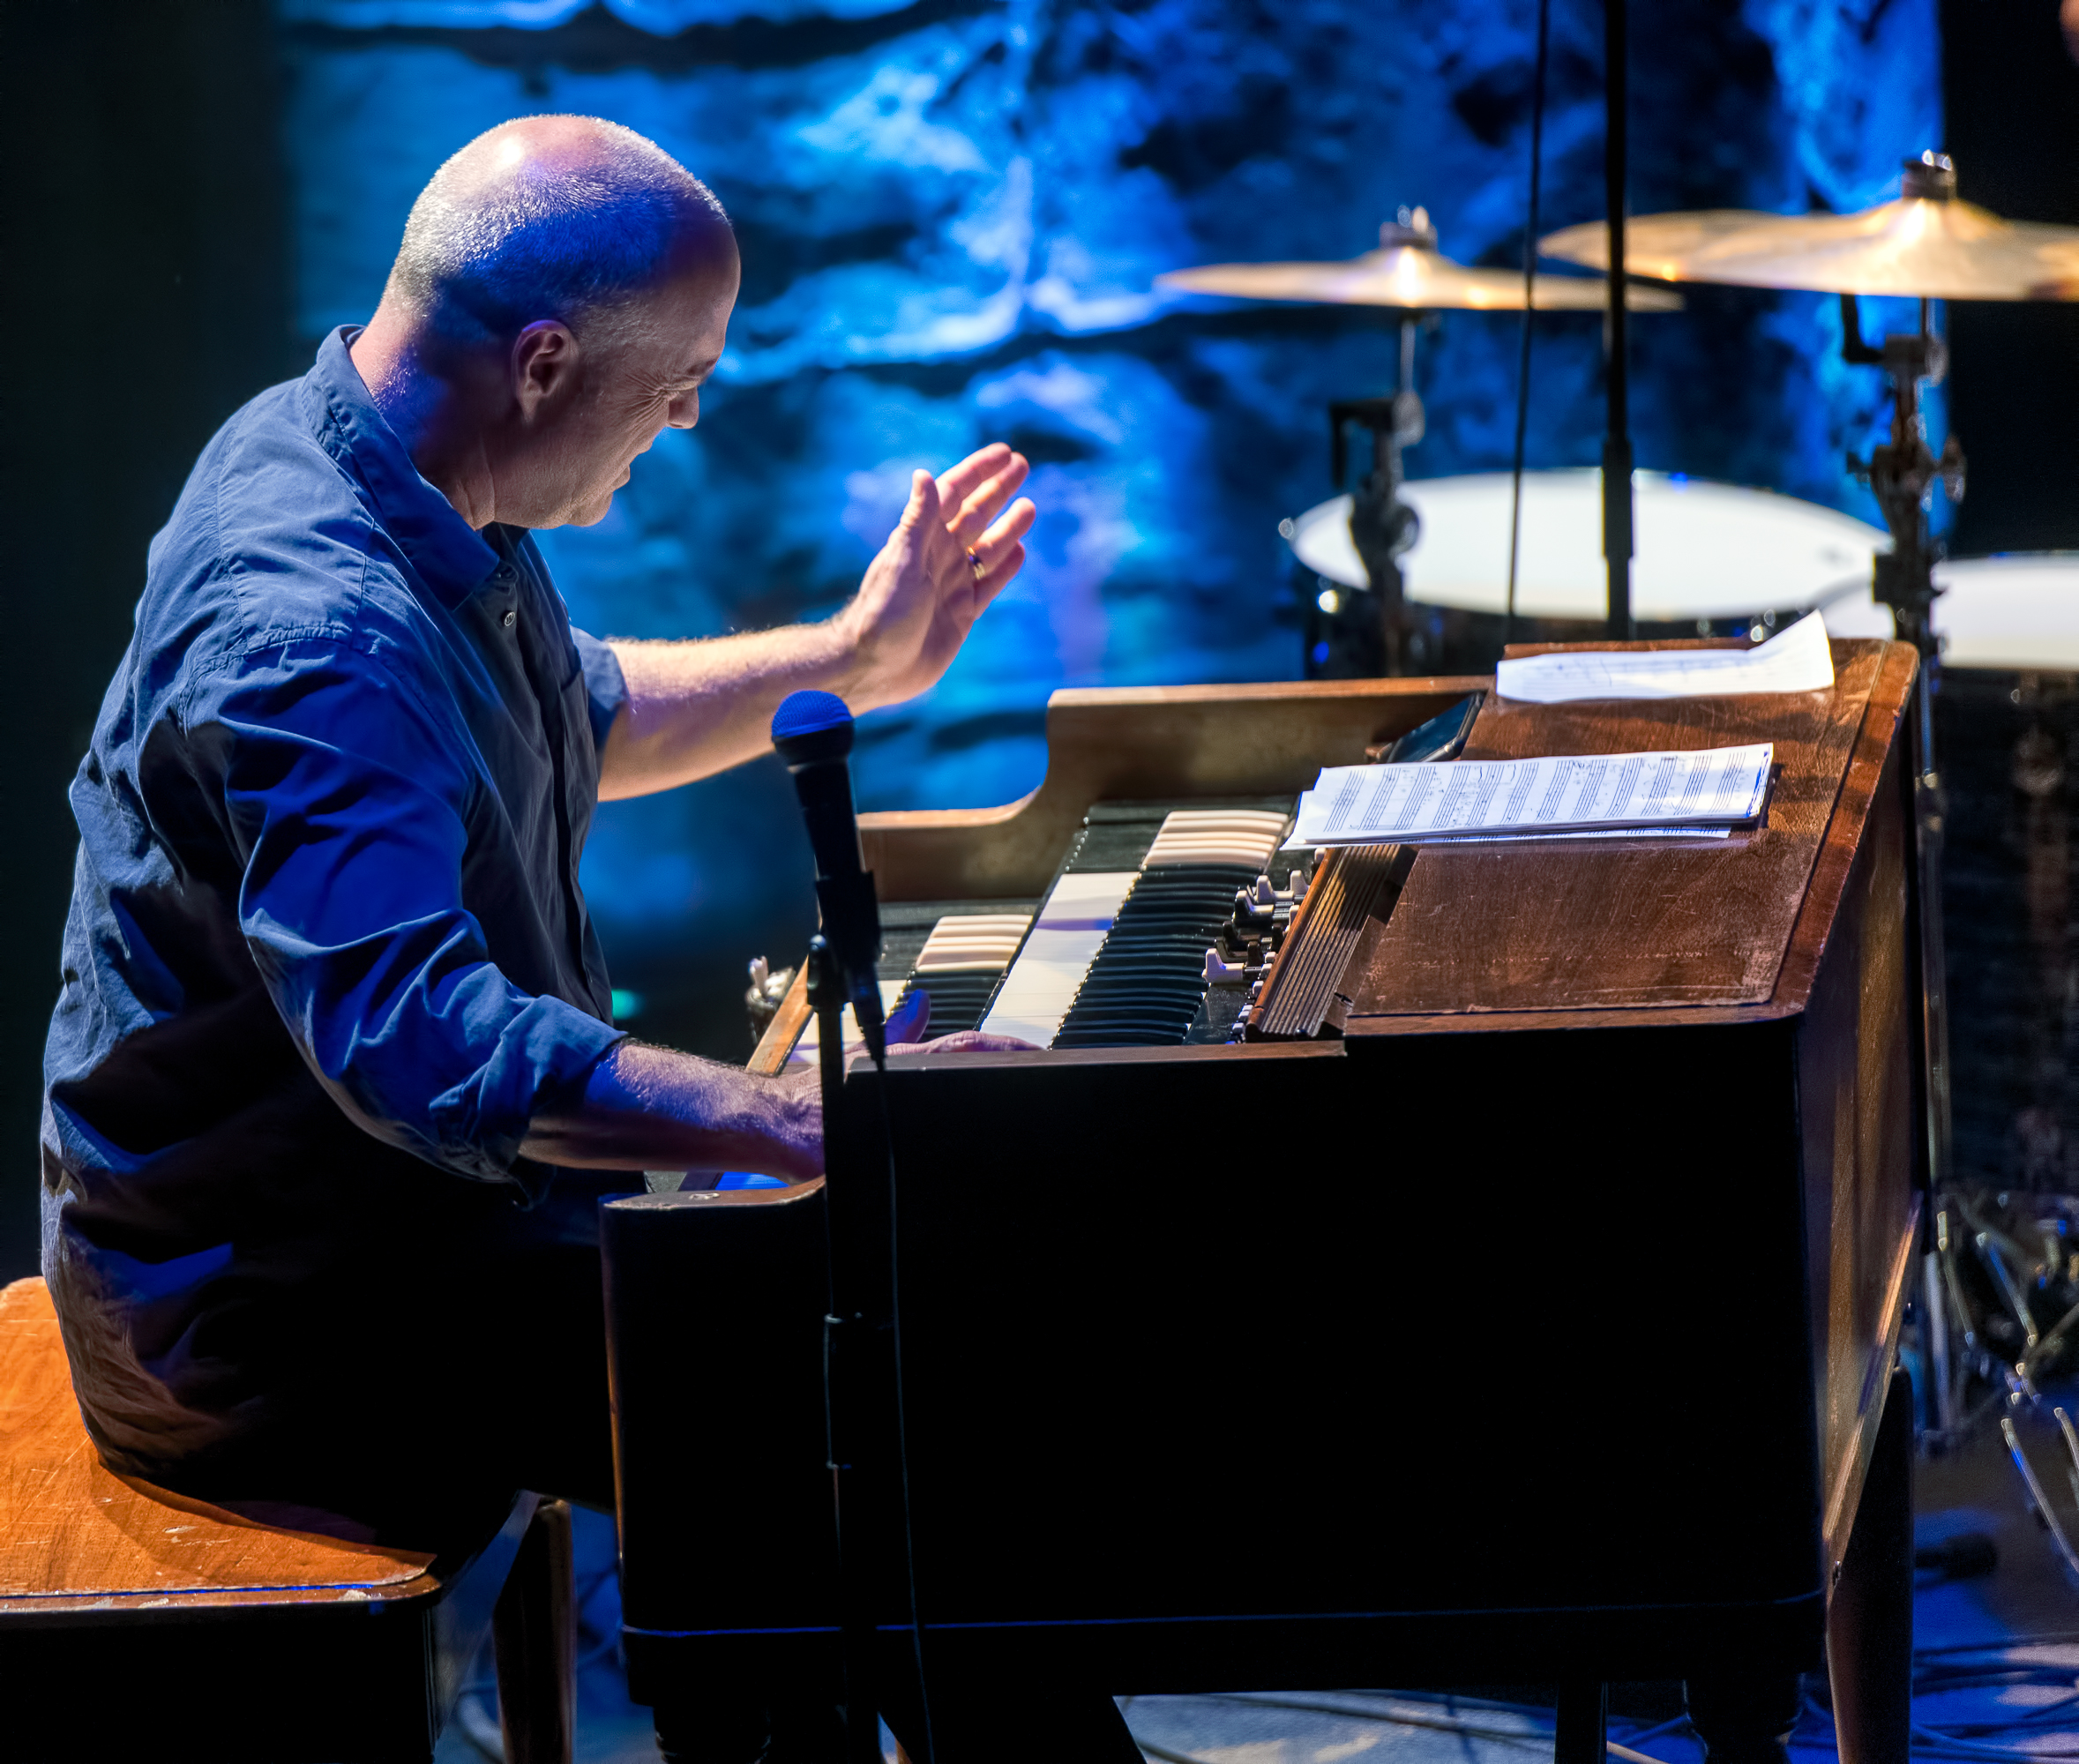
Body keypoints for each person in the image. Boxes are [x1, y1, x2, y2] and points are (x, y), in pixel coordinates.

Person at [39, 115, 1036, 1528]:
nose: (689, 419)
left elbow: (575, 711)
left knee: (891, 1387)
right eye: (679, 382)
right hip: (282, 1323)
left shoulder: (384, 462)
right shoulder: (310, 626)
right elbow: (421, 1039)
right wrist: (787, 1120)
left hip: (402, 1237)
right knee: (885, 1448)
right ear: (545, 363)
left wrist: (852, 659)